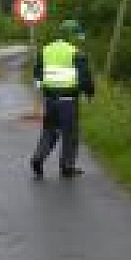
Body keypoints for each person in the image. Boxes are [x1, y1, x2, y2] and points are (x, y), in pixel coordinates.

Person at [30, 19, 95, 179]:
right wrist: (89, 93)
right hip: (68, 101)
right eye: (77, 36)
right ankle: (67, 167)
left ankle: (38, 158)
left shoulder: (45, 50)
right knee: (70, 134)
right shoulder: (76, 53)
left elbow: (37, 72)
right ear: (71, 36)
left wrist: (41, 89)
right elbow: (85, 77)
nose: (79, 39)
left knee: (49, 131)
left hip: (50, 100)